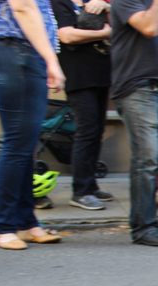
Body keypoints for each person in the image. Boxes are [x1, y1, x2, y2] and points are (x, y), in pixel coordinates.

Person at [0, 0, 65, 249]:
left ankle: (26, 222)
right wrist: (52, 60)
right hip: (10, 47)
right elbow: (23, 6)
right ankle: (4, 226)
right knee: (18, 142)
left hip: (21, 49)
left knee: (25, 143)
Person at [111, 0, 158, 246]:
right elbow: (149, 28)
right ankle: (143, 228)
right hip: (138, 88)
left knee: (152, 162)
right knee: (146, 159)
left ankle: (147, 220)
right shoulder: (127, 1)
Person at [51, 0, 113, 211]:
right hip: (78, 75)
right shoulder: (59, 3)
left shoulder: (92, 2)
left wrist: (107, 8)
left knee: (97, 131)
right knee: (86, 131)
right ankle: (81, 191)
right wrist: (105, 33)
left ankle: (91, 185)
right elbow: (66, 35)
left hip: (101, 74)